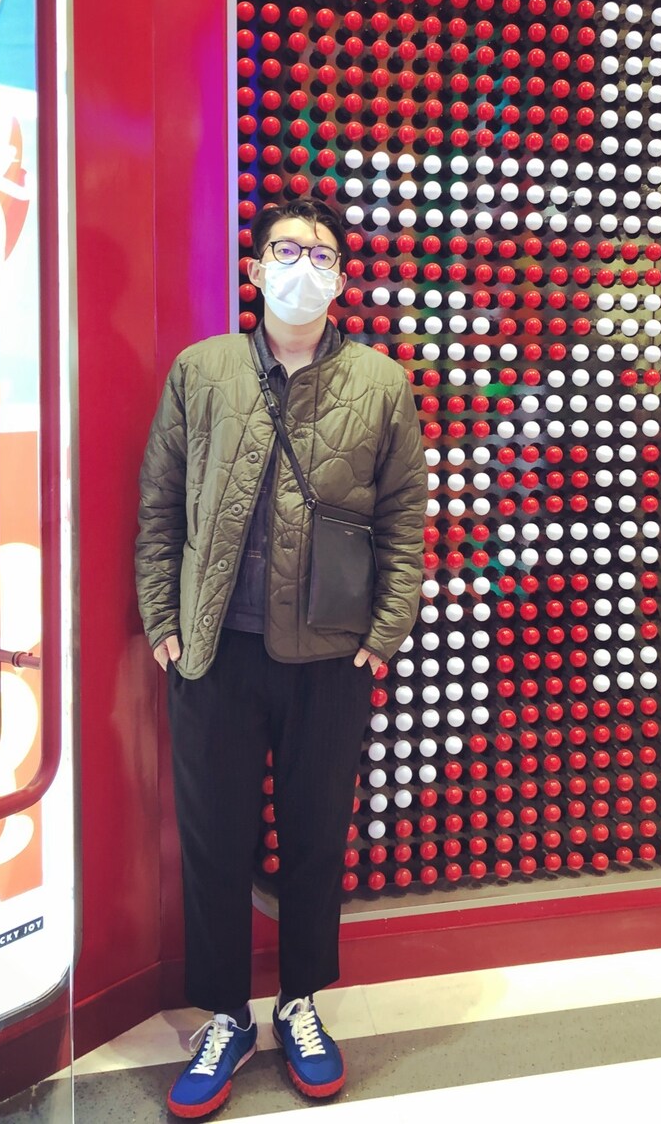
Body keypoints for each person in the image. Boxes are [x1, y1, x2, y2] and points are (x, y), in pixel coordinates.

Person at [135, 196, 428, 1118]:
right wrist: (161, 615)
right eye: (288, 250)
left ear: (342, 277)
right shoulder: (202, 370)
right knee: (214, 842)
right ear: (255, 269)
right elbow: (160, 502)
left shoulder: (381, 382)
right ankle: (225, 1015)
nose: (306, 267)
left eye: (324, 254)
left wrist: (383, 634)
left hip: (329, 658)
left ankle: (300, 1001)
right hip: (214, 651)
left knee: (313, 837)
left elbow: (404, 518)